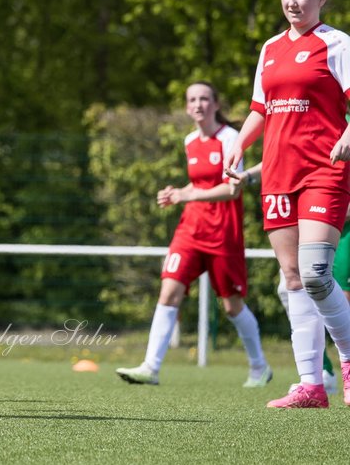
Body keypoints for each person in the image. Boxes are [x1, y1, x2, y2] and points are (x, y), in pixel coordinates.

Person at [223, 0, 350, 408]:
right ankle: (310, 385)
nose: (291, 3)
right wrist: (239, 144)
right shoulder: (271, 48)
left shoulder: (338, 44)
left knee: (316, 273)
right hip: (278, 172)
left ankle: (349, 362)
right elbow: (261, 108)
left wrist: (348, 136)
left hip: (323, 171)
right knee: (293, 277)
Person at [115, 82, 271, 387]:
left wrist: (189, 196)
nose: (198, 104)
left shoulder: (229, 139)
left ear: (215, 104)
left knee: (231, 305)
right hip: (190, 230)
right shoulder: (189, 141)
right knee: (169, 291)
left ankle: (259, 367)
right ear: (187, 107)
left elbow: (231, 188)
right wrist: (178, 193)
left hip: (223, 232)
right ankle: (151, 367)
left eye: (204, 99)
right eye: (192, 100)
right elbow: (197, 185)